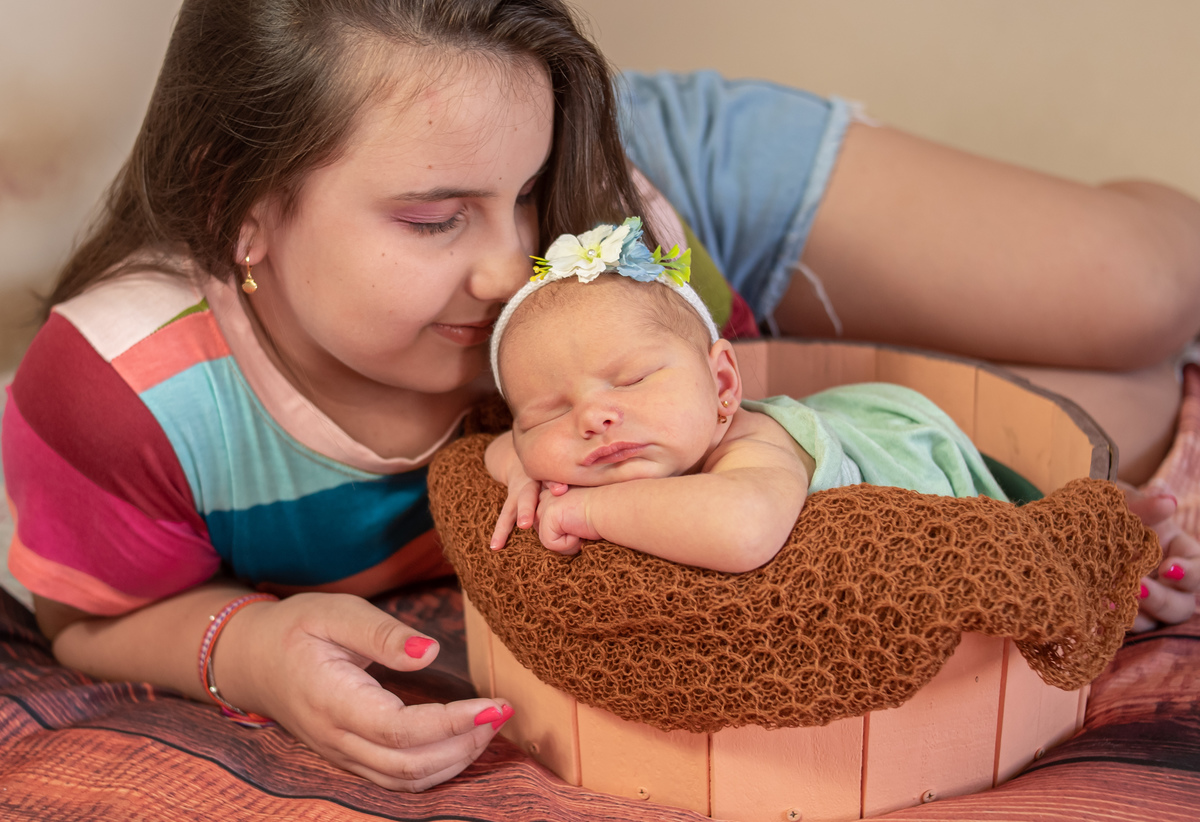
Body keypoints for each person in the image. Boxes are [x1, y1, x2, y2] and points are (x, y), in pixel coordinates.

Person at [2, 0, 1198, 793]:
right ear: (236, 203)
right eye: (433, 218)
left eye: (522, 200)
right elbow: (86, 617)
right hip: (653, 270)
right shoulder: (122, 394)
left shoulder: (586, 220)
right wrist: (247, 649)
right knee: (1136, 403)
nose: (509, 270)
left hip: (676, 208)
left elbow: (765, 430)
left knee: (1152, 295)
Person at [485, 218, 1009, 571]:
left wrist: (586, 512)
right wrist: (521, 472)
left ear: (722, 385)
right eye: (550, 413)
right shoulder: (592, 443)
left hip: (901, 452)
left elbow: (743, 529)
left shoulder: (752, 448)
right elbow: (500, 446)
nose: (592, 417)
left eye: (632, 381)